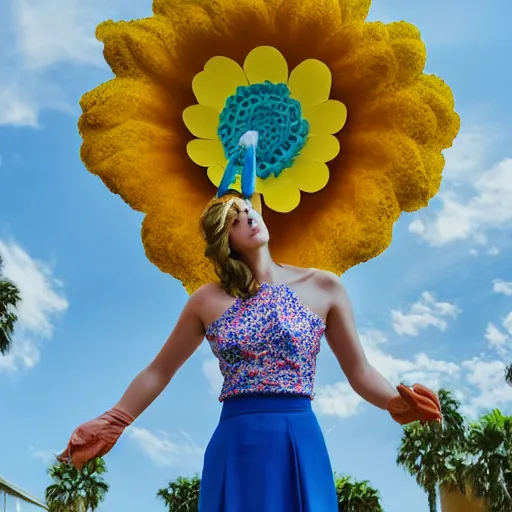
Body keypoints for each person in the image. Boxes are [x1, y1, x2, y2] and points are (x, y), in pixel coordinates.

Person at [58, 134, 441, 511]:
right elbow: (159, 371)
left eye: (248, 209)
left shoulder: (325, 286)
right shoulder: (206, 300)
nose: (248, 217)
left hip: (298, 436)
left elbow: (359, 371)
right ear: (226, 241)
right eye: (235, 219)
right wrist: (115, 419)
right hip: (236, 440)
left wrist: (393, 401)